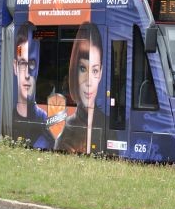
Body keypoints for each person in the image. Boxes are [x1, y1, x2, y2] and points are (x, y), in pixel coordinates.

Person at [55, 22, 105, 154]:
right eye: (83, 68)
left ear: (101, 73)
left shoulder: (108, 124)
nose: (88, 82)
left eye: (94, 71)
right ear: (74, 71)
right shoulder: (66, 132)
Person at [12, 23, 53, 148]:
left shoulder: (45, 121)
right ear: (15, 67)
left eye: (32, 65)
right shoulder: (3, 116)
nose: (27, 75)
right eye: (23, 64)